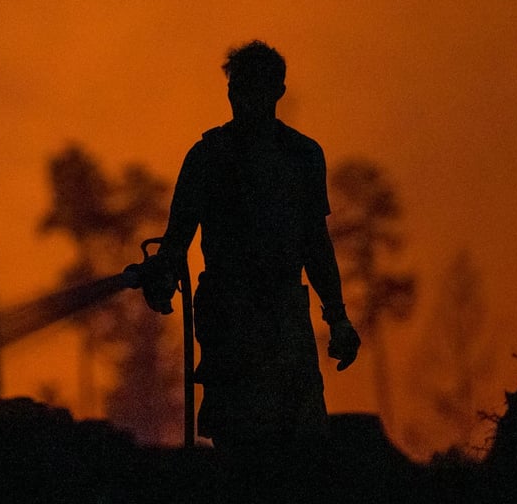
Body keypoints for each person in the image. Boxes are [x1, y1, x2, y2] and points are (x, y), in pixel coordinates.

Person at [142, 40, 361, 502]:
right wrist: (161, 274)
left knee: (300, 441)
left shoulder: (302, 157)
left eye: (253, 88)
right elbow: (177, 237)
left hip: (284, 311)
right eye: (236, 88)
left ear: (277, 91)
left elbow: (314, 244)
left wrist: (337, 316)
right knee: (243, 445)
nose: (242, 98)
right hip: (229, 312)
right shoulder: (208, 156)